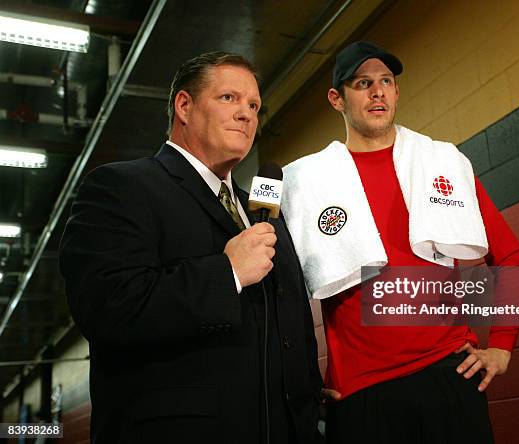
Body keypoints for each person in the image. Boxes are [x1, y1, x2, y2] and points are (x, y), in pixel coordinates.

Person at [59, 51, 322, 444]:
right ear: (184, 106)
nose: (247, 114)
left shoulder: (264, 212)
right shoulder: (120, 187)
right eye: (229, 98)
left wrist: (308, 391)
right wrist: (227, 273)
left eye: (254, 105)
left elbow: (291, 323)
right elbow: (108, 307)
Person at [282, 41, 519, 443]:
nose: (377, 92)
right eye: (362, 83)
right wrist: (305, 378)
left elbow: (512, 257)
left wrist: (501, 345)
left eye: (386, 82)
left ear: (395, 92)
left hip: (449, 375)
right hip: (361, 394)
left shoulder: (443, 164)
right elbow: (281, 298)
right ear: (336, 99)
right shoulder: (305, 183)